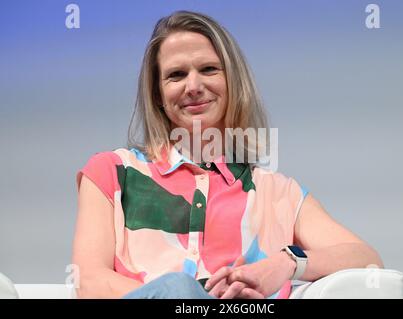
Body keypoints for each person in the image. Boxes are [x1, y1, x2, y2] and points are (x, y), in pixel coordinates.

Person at [72, 11, 383, 299]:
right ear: (158, 95)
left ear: (233, 82)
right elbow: (91, 281)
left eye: (208, 69)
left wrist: (286, 262)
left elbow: (367, 261)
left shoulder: (276, 193)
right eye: (177, 75)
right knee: (179, 289)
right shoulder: (113, 172)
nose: (193, 86)